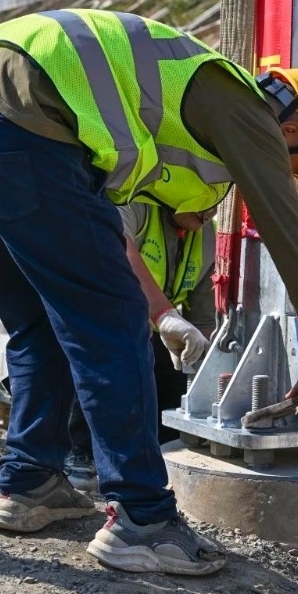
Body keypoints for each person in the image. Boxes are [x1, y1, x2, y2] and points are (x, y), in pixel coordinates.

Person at [0, 8, 298, 577]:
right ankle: (143, 520)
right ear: (290, 130)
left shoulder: (176, 92)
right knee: (115, 319)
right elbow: (292, 236)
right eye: (293, 164)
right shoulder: (247, 113)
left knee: (39, 317)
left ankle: (30, 481)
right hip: (18, 122)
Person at [64, 202, 218, 492]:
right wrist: (165, 315)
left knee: (173, 381)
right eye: (203, 196)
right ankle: (79, 451)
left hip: (150, 333)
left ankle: (156, 456)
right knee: (105, 368)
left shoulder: (206, 236)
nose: (209, 209)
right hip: (96, 322)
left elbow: (203, 320)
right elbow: (119, 248)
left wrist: (205, 367)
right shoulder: (135, 208)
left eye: (216, 200)